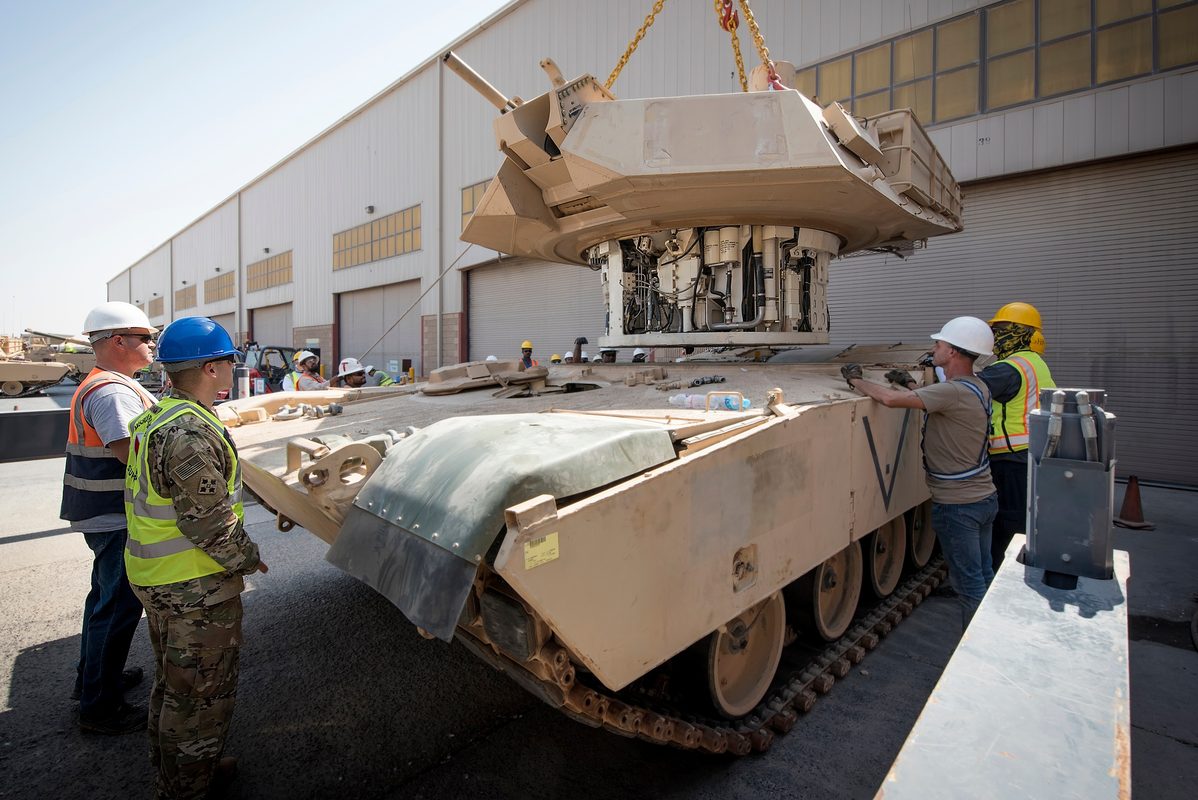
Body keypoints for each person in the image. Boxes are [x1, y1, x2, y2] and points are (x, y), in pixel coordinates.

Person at [124, 317, 266, 800]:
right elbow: (206, 522)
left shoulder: (156, 417)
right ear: (210, 368)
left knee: (174, 684)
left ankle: (182, 767)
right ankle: (186, 785)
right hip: (194, 588)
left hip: (160, 578)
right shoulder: (188, 434)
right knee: (201, 695)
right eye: (229, 361)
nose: (233, 368)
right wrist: (249, 558)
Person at [841, 316, 998, 628]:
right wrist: (911, 383)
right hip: (982, 499)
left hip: (958, 506)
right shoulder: (977, 387)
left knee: (970, 588)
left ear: (953, 352)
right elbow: (938, 399)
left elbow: (889, 399)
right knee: (984, 575)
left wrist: (856, 380)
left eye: (939, 344)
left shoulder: (952, 392)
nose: (933, 348)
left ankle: (979, 656)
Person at [62, 301, 158, 734]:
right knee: (118, 607)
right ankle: (100, 707)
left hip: (101, 513)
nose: (153, 344)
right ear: (119, 341)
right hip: (114, 516)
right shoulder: (113, 392)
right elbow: (130, 454)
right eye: (146, 337)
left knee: (103, 601)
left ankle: (93, 680)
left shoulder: (108, 383)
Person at [978, 302, 1055, 569]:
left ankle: (998, 578)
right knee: (1021, 519)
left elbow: (966, 391)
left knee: (1006, 524)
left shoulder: (1010, 368)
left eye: (1001, 330)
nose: (996, 337)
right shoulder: (1036, 364)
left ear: (1021, 333)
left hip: (1011, 459)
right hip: (1030, 454)